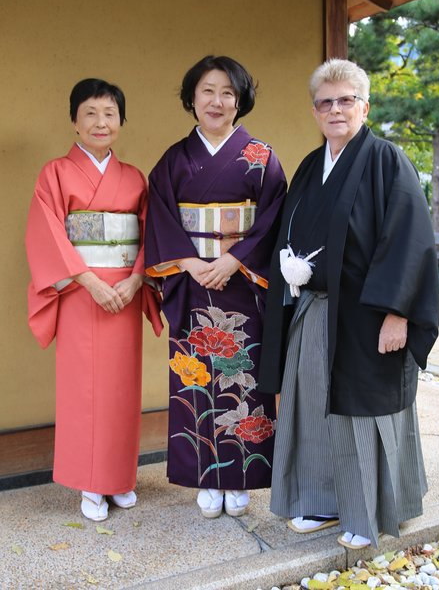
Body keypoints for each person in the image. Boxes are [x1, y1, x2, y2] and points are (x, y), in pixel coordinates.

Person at [258, 59, 439, 549]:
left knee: (363, 413)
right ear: (315, 111)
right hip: (314, 310)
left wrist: (398, 313)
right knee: (313, 408)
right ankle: (321, 501)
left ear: (365, 106)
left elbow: (409, 239)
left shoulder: (386, 160)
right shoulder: (309, 166)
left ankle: (368, 511)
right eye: (325, 102)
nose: (335, 110)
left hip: (368, 316)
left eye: (346, 100)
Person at [145, 55, 287, 518]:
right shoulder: (174, 160)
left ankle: (241, 476)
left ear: (240, 101)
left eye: (228, 92)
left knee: (243, 379)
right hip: (191, 283)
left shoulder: (261, 158)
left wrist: (233, 259)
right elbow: (160, 216)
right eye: (207, 90)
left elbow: (273, 219)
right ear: (192, 98)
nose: (217, 101)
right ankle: (204, 476)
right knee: (195, 380)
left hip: (243, 285)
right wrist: (189, 262)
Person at [25, 78, 162, 522]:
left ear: (121, 121)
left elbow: (151, 233)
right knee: (83, 389)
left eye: (110, 114)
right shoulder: (55, 172)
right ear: (74, 120)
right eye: (90, 113)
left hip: (125, 292)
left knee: (122, 387)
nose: (100, 122)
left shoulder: (134, 177)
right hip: (80, 293)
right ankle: (89, 481)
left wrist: (137, 279)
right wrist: (88, 281)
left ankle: (119, 477)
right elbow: (46, 233)